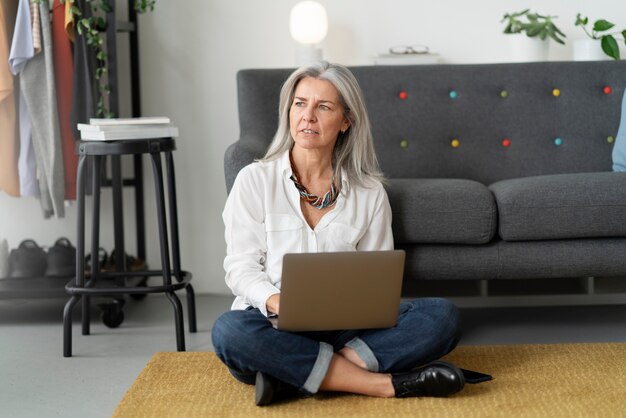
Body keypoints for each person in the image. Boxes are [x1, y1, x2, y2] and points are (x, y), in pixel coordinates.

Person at [212, 61, 466, 406]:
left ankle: (290, 376)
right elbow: (240, 269)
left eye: (324, 106)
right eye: (300, 103)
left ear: (346, 120)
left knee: (442, 316)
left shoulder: (369, 192)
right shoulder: (254, 181)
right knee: (229, 331)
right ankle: (385, 384)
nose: (308, 116)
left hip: (345, 330)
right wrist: (278, 302)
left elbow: (377, 283)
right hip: (271, 324)